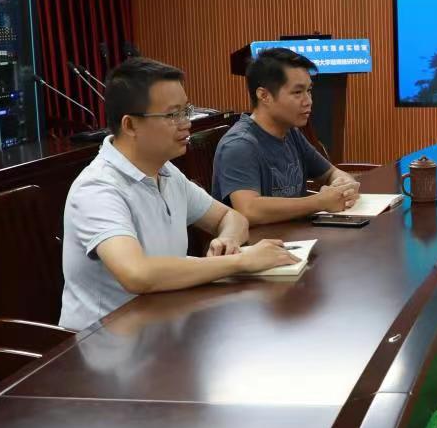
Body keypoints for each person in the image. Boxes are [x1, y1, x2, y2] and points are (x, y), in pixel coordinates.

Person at [59, 58, 296, 330]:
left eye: (187, 111)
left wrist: (228, 241)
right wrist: (240, 261)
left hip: (165, 322)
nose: (186, 124)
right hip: (105, 341)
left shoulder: (166, 171)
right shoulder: (97, 188)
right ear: (130, 125)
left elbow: (231, 217)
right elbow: (137, 274)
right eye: (173, 115)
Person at [212, 46, 362, 226]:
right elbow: (248, 210)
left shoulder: (291, 133)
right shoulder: (239, 144)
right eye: (298, 92)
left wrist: (344, 186)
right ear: (264, 95)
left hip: (295, 235)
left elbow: (331, 172)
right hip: (258, 241)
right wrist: (319, 202)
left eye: (309, 90)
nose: (308, 101)